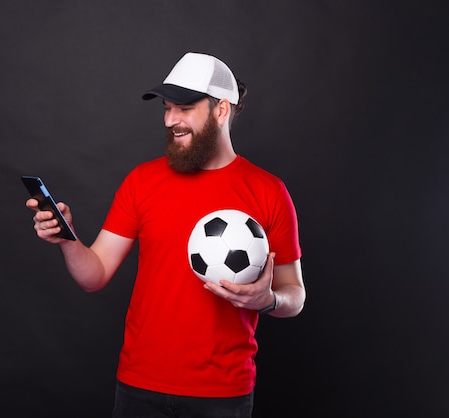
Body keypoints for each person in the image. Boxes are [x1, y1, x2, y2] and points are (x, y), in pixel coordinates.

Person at [26, 52, 305, 418]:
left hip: (222, 393)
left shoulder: (268, 191)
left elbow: (295, 296)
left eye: (184, 108)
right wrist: (68, 239)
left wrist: (266, 300)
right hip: (139, 386)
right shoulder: (142, 181)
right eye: (167, 107)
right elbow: (94, 275)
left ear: (221, 110)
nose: (170, 120)